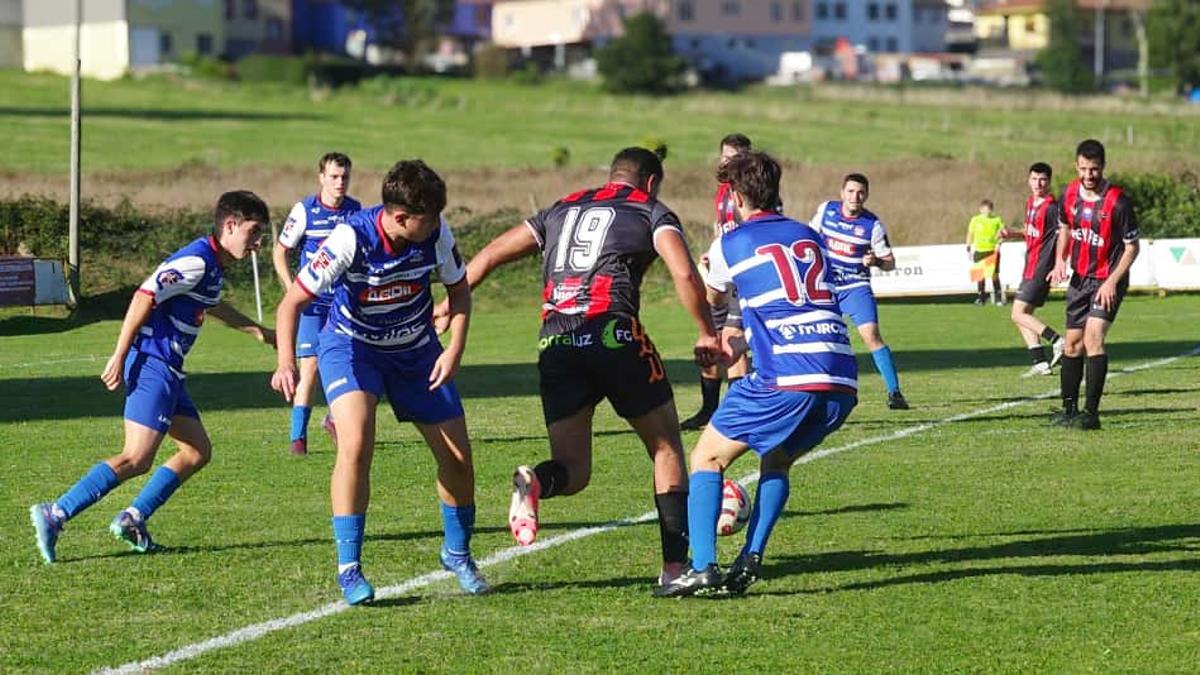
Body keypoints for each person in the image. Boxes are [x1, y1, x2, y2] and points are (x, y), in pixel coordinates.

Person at [437, 147, 721, 589]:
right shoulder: (649, 208)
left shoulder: (561, 208)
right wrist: (706, 331)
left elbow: (492, 252)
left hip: (557, 340)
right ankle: (673, 570)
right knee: (665, 447)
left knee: (574, 470)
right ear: (649, 183)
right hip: (612, 332)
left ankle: (535, 483)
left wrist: (448, 301)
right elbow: (684, 273)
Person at [271, 160, 487, 605]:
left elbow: (459, 291)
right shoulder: (351, 237)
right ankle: (349, 569)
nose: (436, 226)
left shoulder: (437, 233)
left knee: (459, 459)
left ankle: (457, 552)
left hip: (416, 351)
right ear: (402, 217)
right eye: (428, 219)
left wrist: (454, 350)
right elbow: (291, 303)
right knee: (356, 445)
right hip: (352, 348)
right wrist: (286, 362)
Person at [29, 191, 275, 564]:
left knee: (196, 451)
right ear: (230, 225)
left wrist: (260, 332)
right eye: (254, 232)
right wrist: (119, 353)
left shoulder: (212, 265)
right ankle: (55, 514)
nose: (258, 243)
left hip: (169, 370)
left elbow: (211, 304)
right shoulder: (197, 260)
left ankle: (132, 518)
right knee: (137, 457)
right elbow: (144, 295)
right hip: (153, 363)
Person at [655, 151, 857, 597]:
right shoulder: (809, 235)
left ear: (736, 195)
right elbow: (792, 300)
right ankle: (751, 557)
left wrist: (711, 334)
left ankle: (703, 566)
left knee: (706, 457)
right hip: (841, 378)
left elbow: (711, 297)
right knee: (777, 460)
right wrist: (742, 339)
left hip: (789, 376)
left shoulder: (732, 242)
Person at [272, 152, 362, 456]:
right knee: (309, 368)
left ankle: (335, 420)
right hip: (311, 304)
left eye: (344, 177)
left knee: (347, 363)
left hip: (342, 302)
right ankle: (298, 438)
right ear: (321, 177)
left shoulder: (355, 210)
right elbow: (280, 252)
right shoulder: (305, 210)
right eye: (334, 177)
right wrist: (292, 291)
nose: (340, 183)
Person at [1048, 139, 1139, 430]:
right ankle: (1069, 409)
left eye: (1094, 169)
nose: (1089, 175)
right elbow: (1064, 226)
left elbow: (1131, 247)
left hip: (1107, 280)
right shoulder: (1069, 194)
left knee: (1093, 339)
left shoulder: (1118, 201)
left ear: (1103, 167)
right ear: (1076, 166)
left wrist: (1112, 281)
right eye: (1084, 169)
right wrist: (1061, 259)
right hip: (1080, 278)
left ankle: (1091, 413)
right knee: (1072, 344)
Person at [809, 173, 909, 410]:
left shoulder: (872, 225)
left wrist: (875, 261)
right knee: (818, 338)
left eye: (860, 192)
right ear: (842, 193)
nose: (855, 196)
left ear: (867, 195)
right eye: (851, 191)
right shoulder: (826, 210)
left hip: (856, 287)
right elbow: (811, 236)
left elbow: (890, 262)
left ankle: (894, 392)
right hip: (827, 285)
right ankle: (815, 393)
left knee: (871, 336)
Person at [680, 133, 754, 431]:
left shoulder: (755, 190)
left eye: (734, 156)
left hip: (743, 276)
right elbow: (721, 228)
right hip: (720, 274)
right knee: (710, 337)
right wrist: (714, 251)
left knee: (732, 340)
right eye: (725, 156)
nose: (728, 161)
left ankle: (738, 411)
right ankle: (708, 411)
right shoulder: (723, 190)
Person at [1010, 162, 1065, 377]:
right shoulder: (1031, 202)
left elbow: (1063, 233)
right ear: (1028, 180)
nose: (1037, 183)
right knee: (1023, 315)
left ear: (1049, 182)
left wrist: (1060, 262)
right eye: (1034, 179)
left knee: (1018, 313)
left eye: (1042, 179)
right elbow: (1030, 231)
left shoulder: (1052, 208)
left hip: (1040, 267)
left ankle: (1057, 340)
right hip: (1030, 264)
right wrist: (1011, 234)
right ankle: (1040, 362)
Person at [966, 199, 1010, 306]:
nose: (987, 212)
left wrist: (999, 244)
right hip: (980, 251)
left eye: (989, 210)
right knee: (980, 276)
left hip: (992, 251)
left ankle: (998, 299)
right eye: (985, 210)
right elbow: (970, 234)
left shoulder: (997, 220)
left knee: (994, 275)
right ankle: (981, 298)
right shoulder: (975, 220)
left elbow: (1003, 233)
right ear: (981, 210)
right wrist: (968, 248)